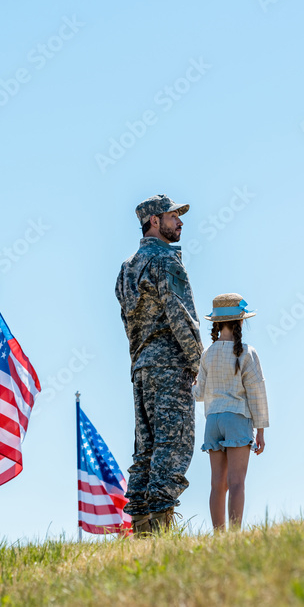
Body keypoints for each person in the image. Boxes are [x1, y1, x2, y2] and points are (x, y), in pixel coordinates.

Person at [115, 194, 203, 535]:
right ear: (155, 221)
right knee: (172, 446)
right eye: (172, 216)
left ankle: (140, 532)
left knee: (145, 450)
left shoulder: (127, 268)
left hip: (141, 368)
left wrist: (139, 363)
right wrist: (200, 364)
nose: (180, 222)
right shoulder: (167, 262)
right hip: (170, 367)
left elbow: (129, 324)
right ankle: (160, 534)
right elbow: (181, 317)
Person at [193, 293, 268, 532]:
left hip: (212, 421)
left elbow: (200, 393)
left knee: (217, 484)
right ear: (240, 321)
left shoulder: (207, 354)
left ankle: (219, 536)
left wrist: (188, 385)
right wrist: (261, 431)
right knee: (237, 483)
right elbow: (257, 393)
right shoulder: (247, 352)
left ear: (216, 323)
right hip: (237, 418)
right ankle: (234, 536)